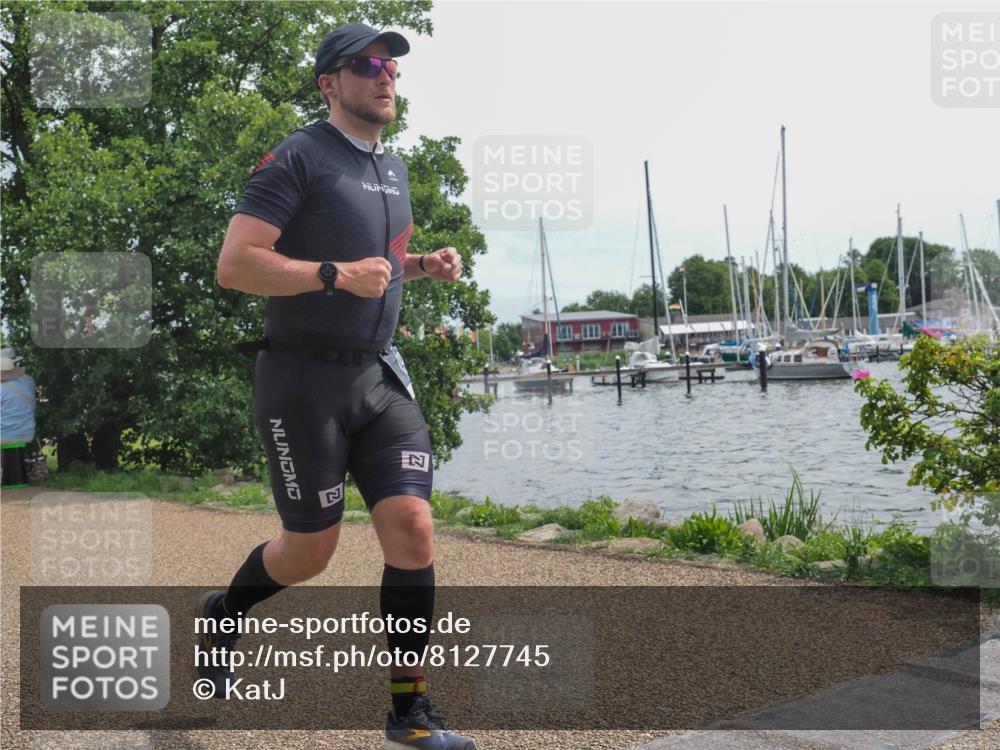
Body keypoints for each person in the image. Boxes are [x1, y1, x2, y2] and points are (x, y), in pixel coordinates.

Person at [206, 22, 475, 750]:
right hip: (301, 384)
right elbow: (236, 265)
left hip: (378, 378)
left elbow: (375, 265)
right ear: (330, 82)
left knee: (413, 530)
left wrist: (424, 265)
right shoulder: (296, 158)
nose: (385, 76)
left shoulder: (394, 168)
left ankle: (408, 714)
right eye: (367, 65)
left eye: (391, 66)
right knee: (309, 553)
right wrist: (331, 276)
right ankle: (225, 612)